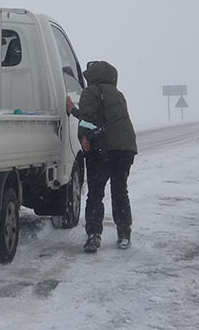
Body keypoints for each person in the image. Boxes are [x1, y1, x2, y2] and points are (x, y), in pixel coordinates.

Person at [66, 60, 137, 253]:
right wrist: (75, 112)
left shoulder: (91, 91)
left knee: (96, 193)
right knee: (120, 190)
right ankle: (124, 234)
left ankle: (94, 235)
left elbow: (89, 120)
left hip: (102, 149)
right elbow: (108, 120)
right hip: (125, 148)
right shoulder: (117, 94)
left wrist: (83, 135)